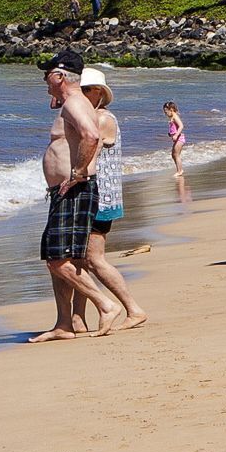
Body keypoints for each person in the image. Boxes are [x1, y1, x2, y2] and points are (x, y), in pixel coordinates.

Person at [32, 55, 123, 341]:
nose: (44, 80)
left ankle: (105, 305)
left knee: (57, 260)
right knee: (59, 258)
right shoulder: (70, 102)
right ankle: (64, 324)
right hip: (65, 190)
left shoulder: (74, 102)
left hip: (74, 189)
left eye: (47, 74)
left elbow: (91, 135)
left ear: (59, 76)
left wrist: (78, 172)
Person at [77, 69, 150, 321]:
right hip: (96, 195)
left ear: (99, 92)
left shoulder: (101, 119)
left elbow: (88, 156)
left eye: (86, 90)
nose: (81, 96)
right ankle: (78, 318)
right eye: (79, 90)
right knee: (82, 259)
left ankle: (132, 309)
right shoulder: (92, 116)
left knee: (93, 258)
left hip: (101, 197)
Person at [162, 99, 192, 204]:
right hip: (177, 138)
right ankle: (179, 170)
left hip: (180, 139)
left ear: (171, 110)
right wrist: (170, 134)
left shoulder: (175, 117)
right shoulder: (172, 118)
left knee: (176, 154)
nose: (165, 113)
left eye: (166, 111)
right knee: (173, 155)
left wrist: (175, 135)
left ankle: (180, 171)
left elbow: (181, 126)